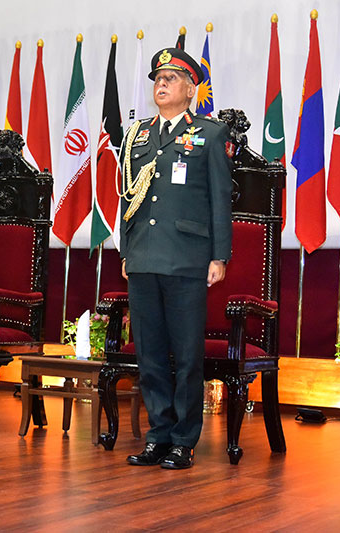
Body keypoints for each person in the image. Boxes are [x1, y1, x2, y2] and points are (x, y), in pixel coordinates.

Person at [118, 48, 232, 469]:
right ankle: (158, 436)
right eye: (157, 78)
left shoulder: (211, 133)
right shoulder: (139, 136)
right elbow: (129, 197)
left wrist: (219, 255)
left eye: (171, 77)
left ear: (190, 88)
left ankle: (184, 440)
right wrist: (128, 250)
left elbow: (220, 201)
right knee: (148, 355)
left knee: (186, 356)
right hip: (145, 258)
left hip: (187, 257)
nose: (161, 84)